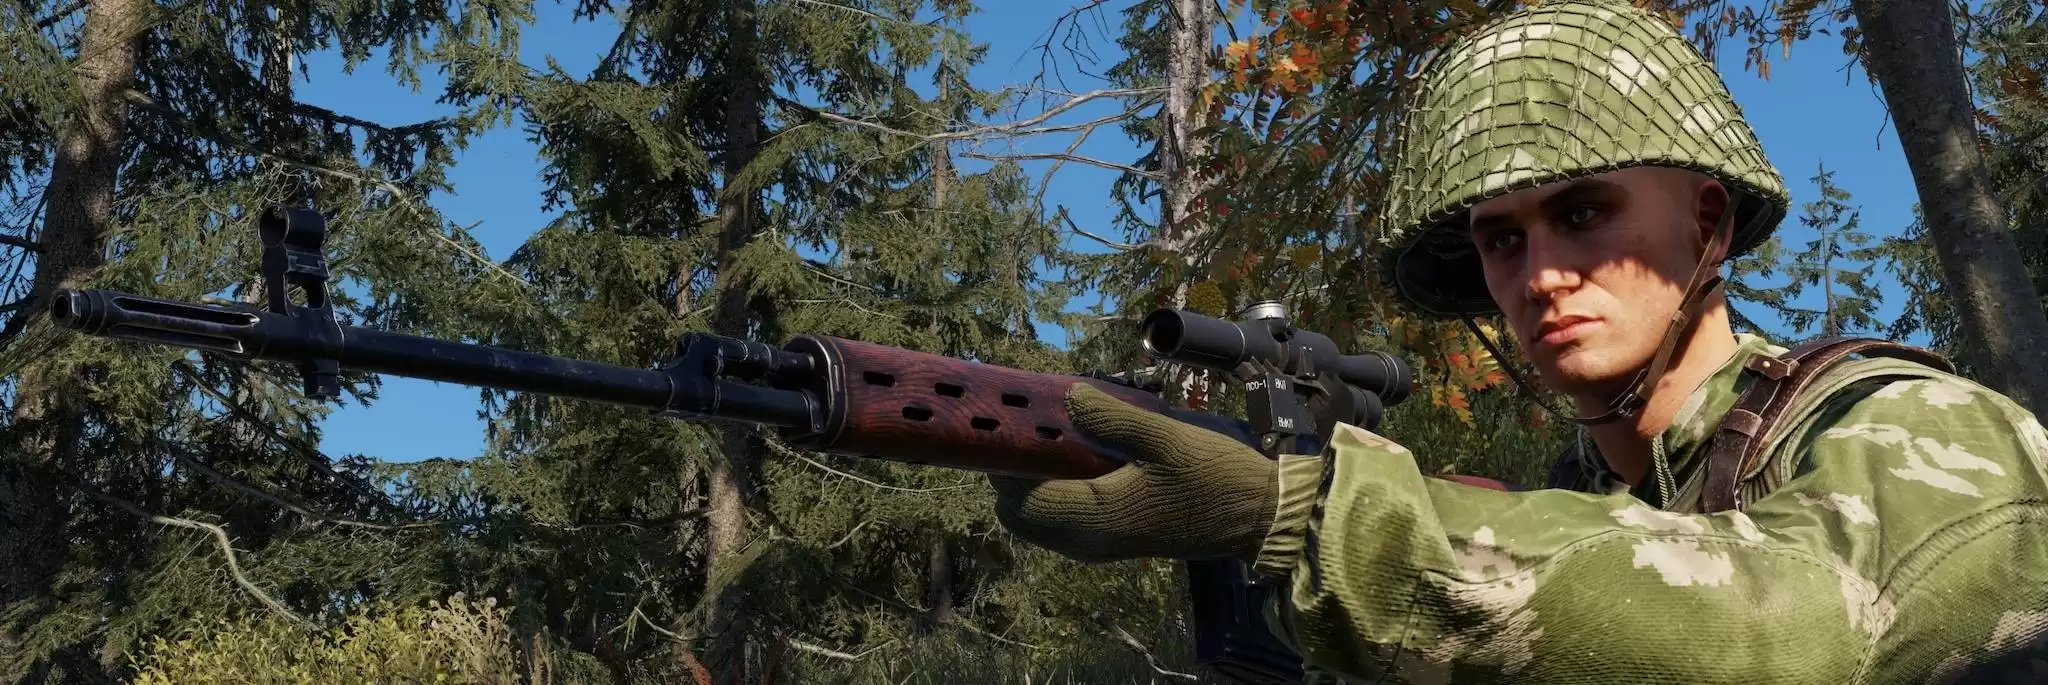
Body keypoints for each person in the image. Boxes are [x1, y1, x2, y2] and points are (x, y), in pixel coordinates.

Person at [989, 0, 2048, 682]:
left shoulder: (1917, 429)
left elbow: (1793, 628)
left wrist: (1315, 515)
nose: (1538, 275)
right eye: (1501, 239)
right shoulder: (1579, 500)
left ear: (1707, 223)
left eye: (1582, 213)